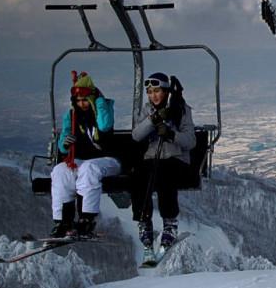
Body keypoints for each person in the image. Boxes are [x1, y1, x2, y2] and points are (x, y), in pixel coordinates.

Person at [131, 72, 196, 258]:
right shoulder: (146, 110)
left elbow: (190, 141)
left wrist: (171, 134)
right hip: (152, 159)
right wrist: (152, 120)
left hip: (176, 160)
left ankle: (169, 222)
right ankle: (144, 221)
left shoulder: (180, 109)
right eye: (150, 92)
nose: (154, 96)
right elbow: (136, 135)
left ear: (166, 91)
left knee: (164, 174)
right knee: (138, 176)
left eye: (157, 91)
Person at [50, 71, 120, 239]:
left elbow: (104, 126)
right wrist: (64, 144)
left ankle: (86, 219)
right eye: (79, 101)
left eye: (85, 100)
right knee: (61, 171)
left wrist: (99, 100)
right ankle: (62, 221)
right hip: (81, 161)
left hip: (108, 160)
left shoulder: (102, 112)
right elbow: (63, 145)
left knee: (89, 169)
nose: (82, 104)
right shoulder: (72, 117)